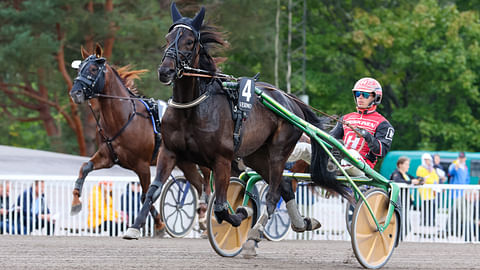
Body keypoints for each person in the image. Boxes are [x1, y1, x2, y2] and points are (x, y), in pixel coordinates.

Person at [330, 77, 395, 176]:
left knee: (351, 153)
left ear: (376, 98)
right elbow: (330, 139)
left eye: (365, 95)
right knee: (304, 148)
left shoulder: (383, 123)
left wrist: (367, 136)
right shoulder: (346, 118)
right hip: (341, 162)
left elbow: (382, 151)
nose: (360, 97)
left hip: (363, 167)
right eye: (357, 94)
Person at [448, 152, 470, 238]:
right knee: (460, 212)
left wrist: (467, 189)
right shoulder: (454, 164)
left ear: (465, 158)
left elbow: (467, 179)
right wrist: (455, 168)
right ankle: (456, 230)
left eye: (463, 157)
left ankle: (452, 229)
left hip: (463, 193)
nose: (461, 159)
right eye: (460, 157)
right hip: (456, 193)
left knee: (455, 212)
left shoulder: (465, 167)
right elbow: (450, 173)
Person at [416, 153, 439, 227]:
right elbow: (423, 179)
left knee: (433, 207)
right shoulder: (420, 168)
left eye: (428, 160)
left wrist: (434, 182)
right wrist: (432, 181)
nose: (427, 161)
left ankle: (432, 222)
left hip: (432, 192)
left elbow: (436, 178)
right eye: (426, 160)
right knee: (425, 208)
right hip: (424, 192)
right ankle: (424, 222)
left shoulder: (432, 169)